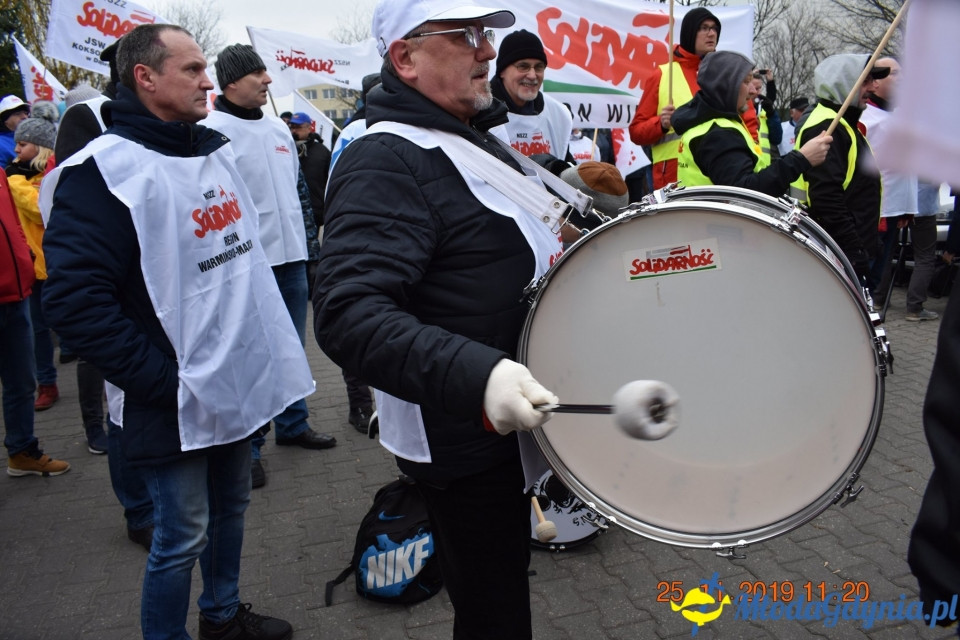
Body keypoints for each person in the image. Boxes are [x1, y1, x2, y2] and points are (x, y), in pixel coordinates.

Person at [42, 24, 307, 639]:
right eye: (191, 69)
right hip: (173, 399)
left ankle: (221, 616)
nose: (207, 79)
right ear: (145, 77)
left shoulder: (212, 150)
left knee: (234, 508)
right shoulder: (101, 172)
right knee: (181, 534)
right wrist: (164, 384)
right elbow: (77, 303)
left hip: (235, 383)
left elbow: (243, 270)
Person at [314, 0, 564, 636]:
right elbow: (348, 313)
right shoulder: (385, 158)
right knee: (493, 610)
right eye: (467, 36)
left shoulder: (466, 139)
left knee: (502, 594)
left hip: (507, 419)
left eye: (485, 34)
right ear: (406, 57)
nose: (487, 51)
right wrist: (480, 375)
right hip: (462, 434)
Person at [203, 43, 336, 489]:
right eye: (257, 73)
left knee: (292, 347)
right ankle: (251, 447)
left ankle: (293, 425)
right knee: (255, 355)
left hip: (292, 259)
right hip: (247, 266)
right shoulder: (211, 132)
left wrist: (310, 255)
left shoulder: (280, 133)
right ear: (231, 82)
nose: (268, 80)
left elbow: (299, 197)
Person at [52, 38, 154, 548]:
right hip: (113, 280)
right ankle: (137, 510)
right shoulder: (88, 115)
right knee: (122, 404)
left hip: (153, 279)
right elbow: (75, 192)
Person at [671, 51, 831, 196]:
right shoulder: (717, 133)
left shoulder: (712, 125)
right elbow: (745, 192)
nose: (754, 91)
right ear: (726, 86)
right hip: (719, 226)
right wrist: (801, 159)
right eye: (747, 82)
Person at [792, 54, 888, 283]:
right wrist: (854, 249)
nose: (874, 86)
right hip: (837, 251)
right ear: (845, 82)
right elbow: (826, 197)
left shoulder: (842, 123)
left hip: (844, 247)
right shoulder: (828, 127)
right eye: (866, 80)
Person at [2, 165, 70, 478]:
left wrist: (25, 260)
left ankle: (22, 450)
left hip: (16, 293)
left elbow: (13, 223)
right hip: (11, 292)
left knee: (22, 381)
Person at [6, 101, 60, 412]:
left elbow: (44, 206)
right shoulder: (17, 178)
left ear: (39, 147)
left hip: (58, 261)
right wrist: (15, 178)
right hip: (35, 267)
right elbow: (34, 209)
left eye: (23, 145)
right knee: (39, 330)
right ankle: (47, 382)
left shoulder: (50, 172)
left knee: (73, 321)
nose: (16, 151)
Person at [629, 8, 721, 191]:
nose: (711, 33)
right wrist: (661, 124)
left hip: (715, 172)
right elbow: (636, 132)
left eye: (714, 28)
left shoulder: (721, 76)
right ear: (690, 32)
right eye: (704, 28)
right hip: (673, 178)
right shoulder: (662, 75)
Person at [860, 57, 920, 309]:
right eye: (894, 74)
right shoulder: (865, 118)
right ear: (874, 83)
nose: (902, 79)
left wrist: (908, 206)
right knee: (867, 277)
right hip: (877, 215)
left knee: (877, 278)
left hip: (895, 211)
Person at [489, 29, 572, 160]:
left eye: (539, 67)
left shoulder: (557, 113)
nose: (533, 75)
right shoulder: (477, 111)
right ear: (502, 71)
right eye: (523, 66)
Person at [0, 95, 30, 166]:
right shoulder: (1, 143)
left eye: (26, 113)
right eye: (17, 114)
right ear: (5, 119)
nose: (24, 117)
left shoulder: (34, 138)